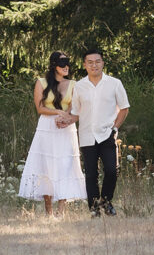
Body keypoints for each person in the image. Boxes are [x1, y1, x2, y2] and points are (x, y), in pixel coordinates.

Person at [56, 47, 129, 217]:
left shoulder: (114, 83)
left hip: (107, 134)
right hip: (87, 135)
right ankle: (94, 207)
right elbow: (75, 113)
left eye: (97, 61)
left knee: (112, 170)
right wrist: (65, 121)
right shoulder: (80, 86)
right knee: (91, 174)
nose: (94, 65)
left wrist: (115, 128)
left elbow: (124, 109)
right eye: (90, 62)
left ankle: (107, 201)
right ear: (84, 65)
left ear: (102, 63)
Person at [18, 51, 87, 216]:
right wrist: (57, 112)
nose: (66, 67)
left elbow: (75, 106)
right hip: (47, 127)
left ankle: (61, 211)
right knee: (46, 167)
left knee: (65, 166)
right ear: (54, 66)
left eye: (68, 64)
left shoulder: (73, 84)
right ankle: (49, 211)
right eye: (62, 64)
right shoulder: (41, 83)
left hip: (65, 127)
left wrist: (66, 117)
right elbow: (40, 108)